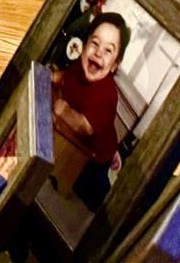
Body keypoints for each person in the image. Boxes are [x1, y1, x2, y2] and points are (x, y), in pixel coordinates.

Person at [51, 12, 128, 196]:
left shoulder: (106, 94)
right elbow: (66, 78)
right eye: (94, 43)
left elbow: (84, 127)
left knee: (90, 192)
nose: (98, 52)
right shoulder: (80, 67)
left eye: (108, 50)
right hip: (94, 139)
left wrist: (63, 111)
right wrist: (53, 77)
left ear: (114, 65)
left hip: (95, 156)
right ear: (84, 46)